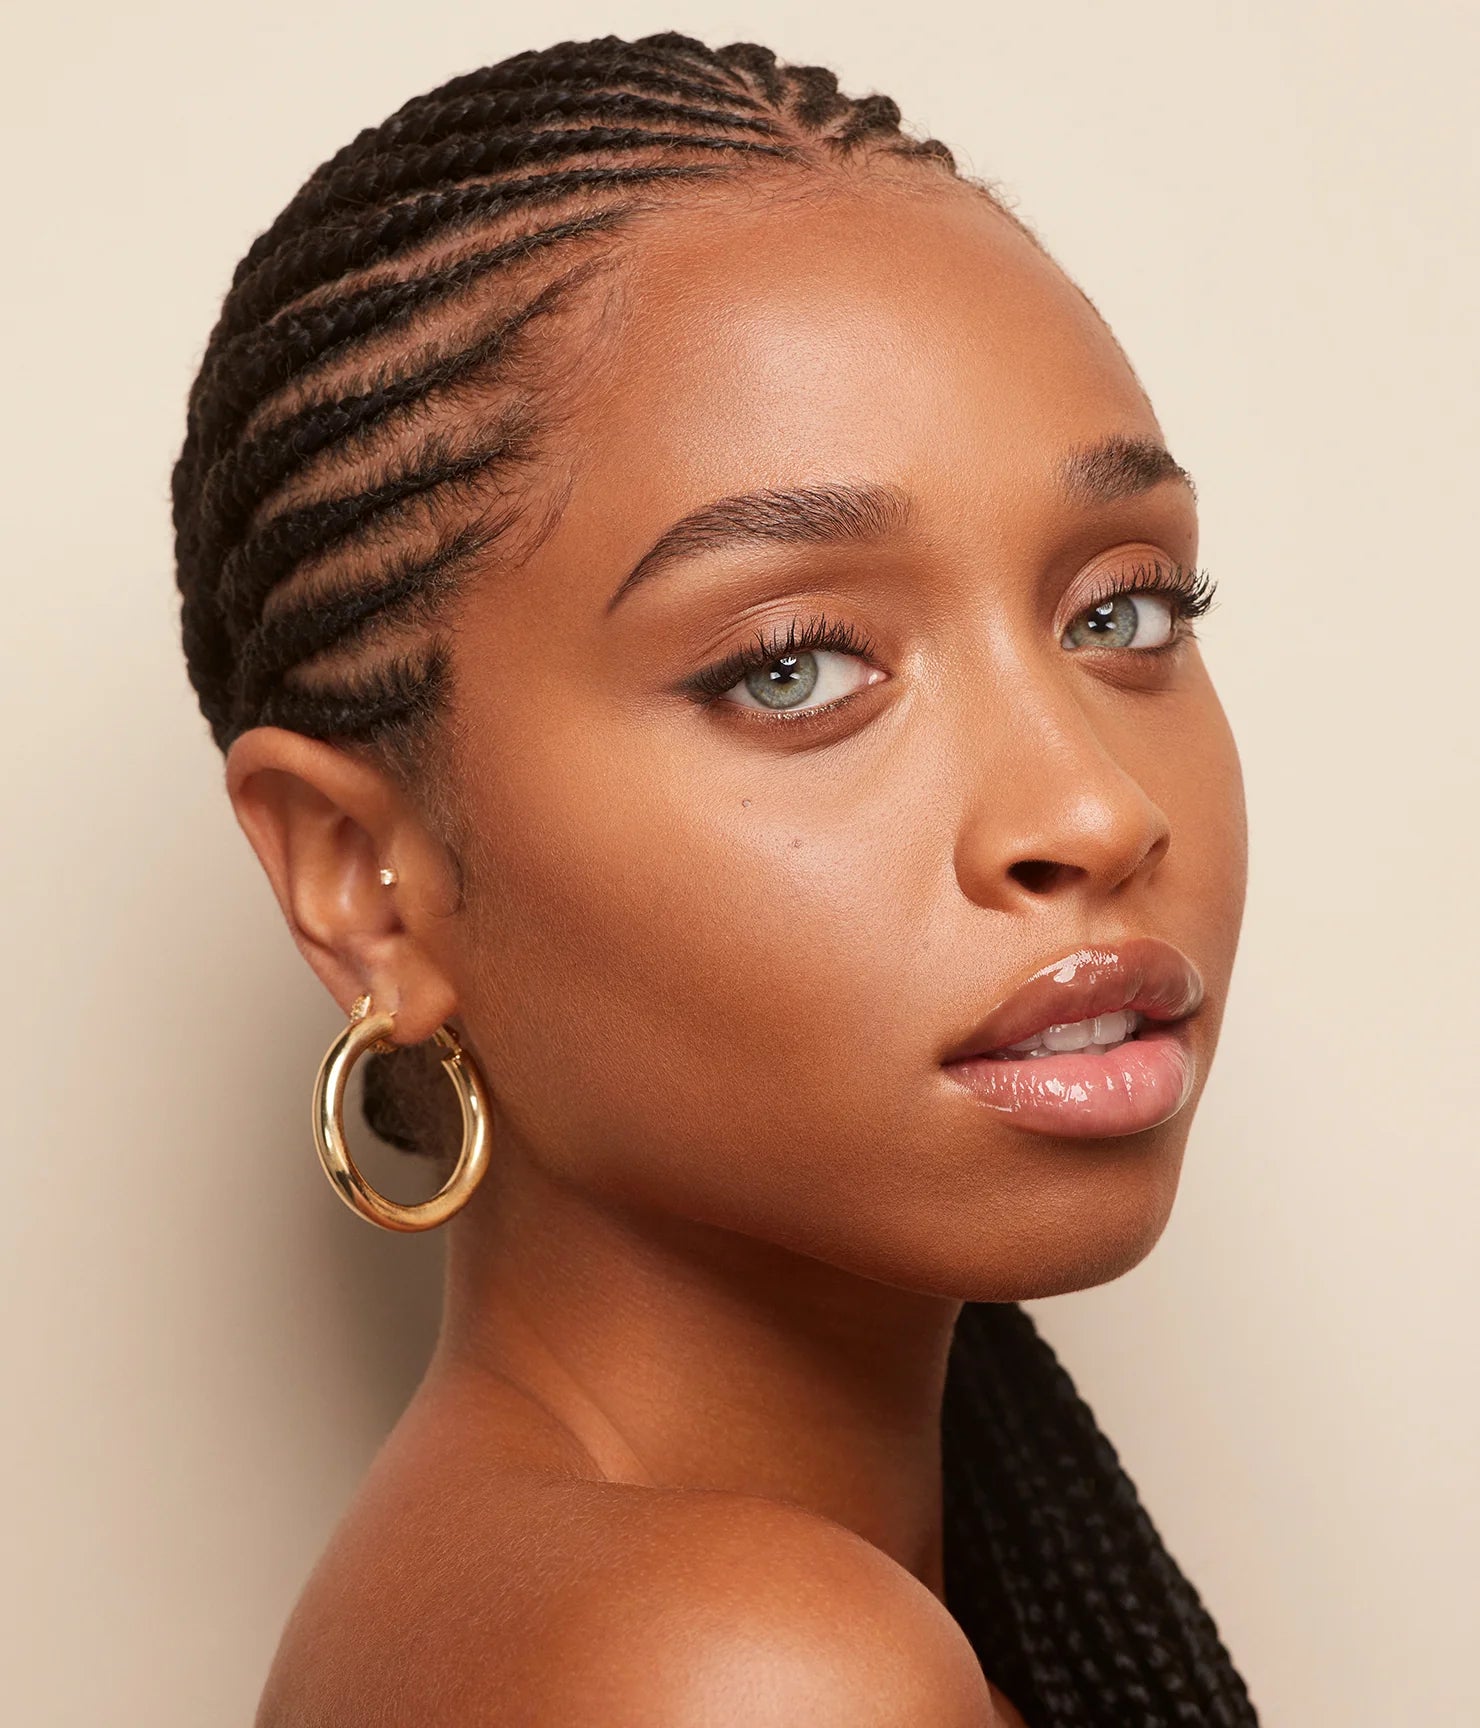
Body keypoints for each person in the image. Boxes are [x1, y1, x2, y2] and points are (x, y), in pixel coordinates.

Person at [172, 29, 1257, 1726]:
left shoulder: (631, 1600)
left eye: (1120, 610)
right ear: (366, 879)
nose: (1095, 809)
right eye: (793, 668)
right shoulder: (735, 1672)